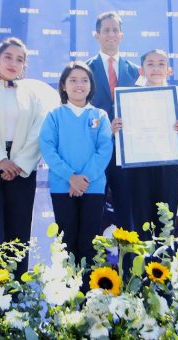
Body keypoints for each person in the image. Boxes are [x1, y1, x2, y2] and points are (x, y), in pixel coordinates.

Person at [0, 37, 59, 279]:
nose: (13, 63)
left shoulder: (34, 96)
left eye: (20, 59)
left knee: (17, 237)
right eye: (8, 57)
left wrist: (19, 163)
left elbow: (39, 130)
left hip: (21, 171)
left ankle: (17, 303)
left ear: (24, 66)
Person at [112, 49, 178, 240]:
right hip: (138, 168)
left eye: (161, 64)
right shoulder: (128, 99)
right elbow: (121, 140)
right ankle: (142, 268)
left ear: (169, 70)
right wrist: (115, 131)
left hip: (167, 167)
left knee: (166, 223)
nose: (156, 68)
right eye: (150, 64)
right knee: (141, 224)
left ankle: (165, 268)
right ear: (141, 70)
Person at [39, 61, 112, 266]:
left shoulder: (100, 116)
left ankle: (89, 296)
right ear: (63, 85)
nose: (79, 85)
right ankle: (67, 295)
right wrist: (71, 177)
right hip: (63, 187)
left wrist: (83, 180)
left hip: (93, 187)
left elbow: (104, 149)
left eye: (84, 80)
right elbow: (48, 149)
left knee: (89, 243)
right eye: (73, 80)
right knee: (66, 242)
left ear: (91, 85)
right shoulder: (54, 115)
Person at [86, 11, 140, 231]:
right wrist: (103, 126)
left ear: (121, 35)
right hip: (95, 152)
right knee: (93, 214)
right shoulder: (85, 70)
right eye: (106, 30)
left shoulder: (136, 71)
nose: (111, 34)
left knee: (128, 214)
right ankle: (91, 264)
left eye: (115, 30)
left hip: (127, 154)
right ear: (96, 35)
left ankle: (129, 265)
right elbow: (80, 114)